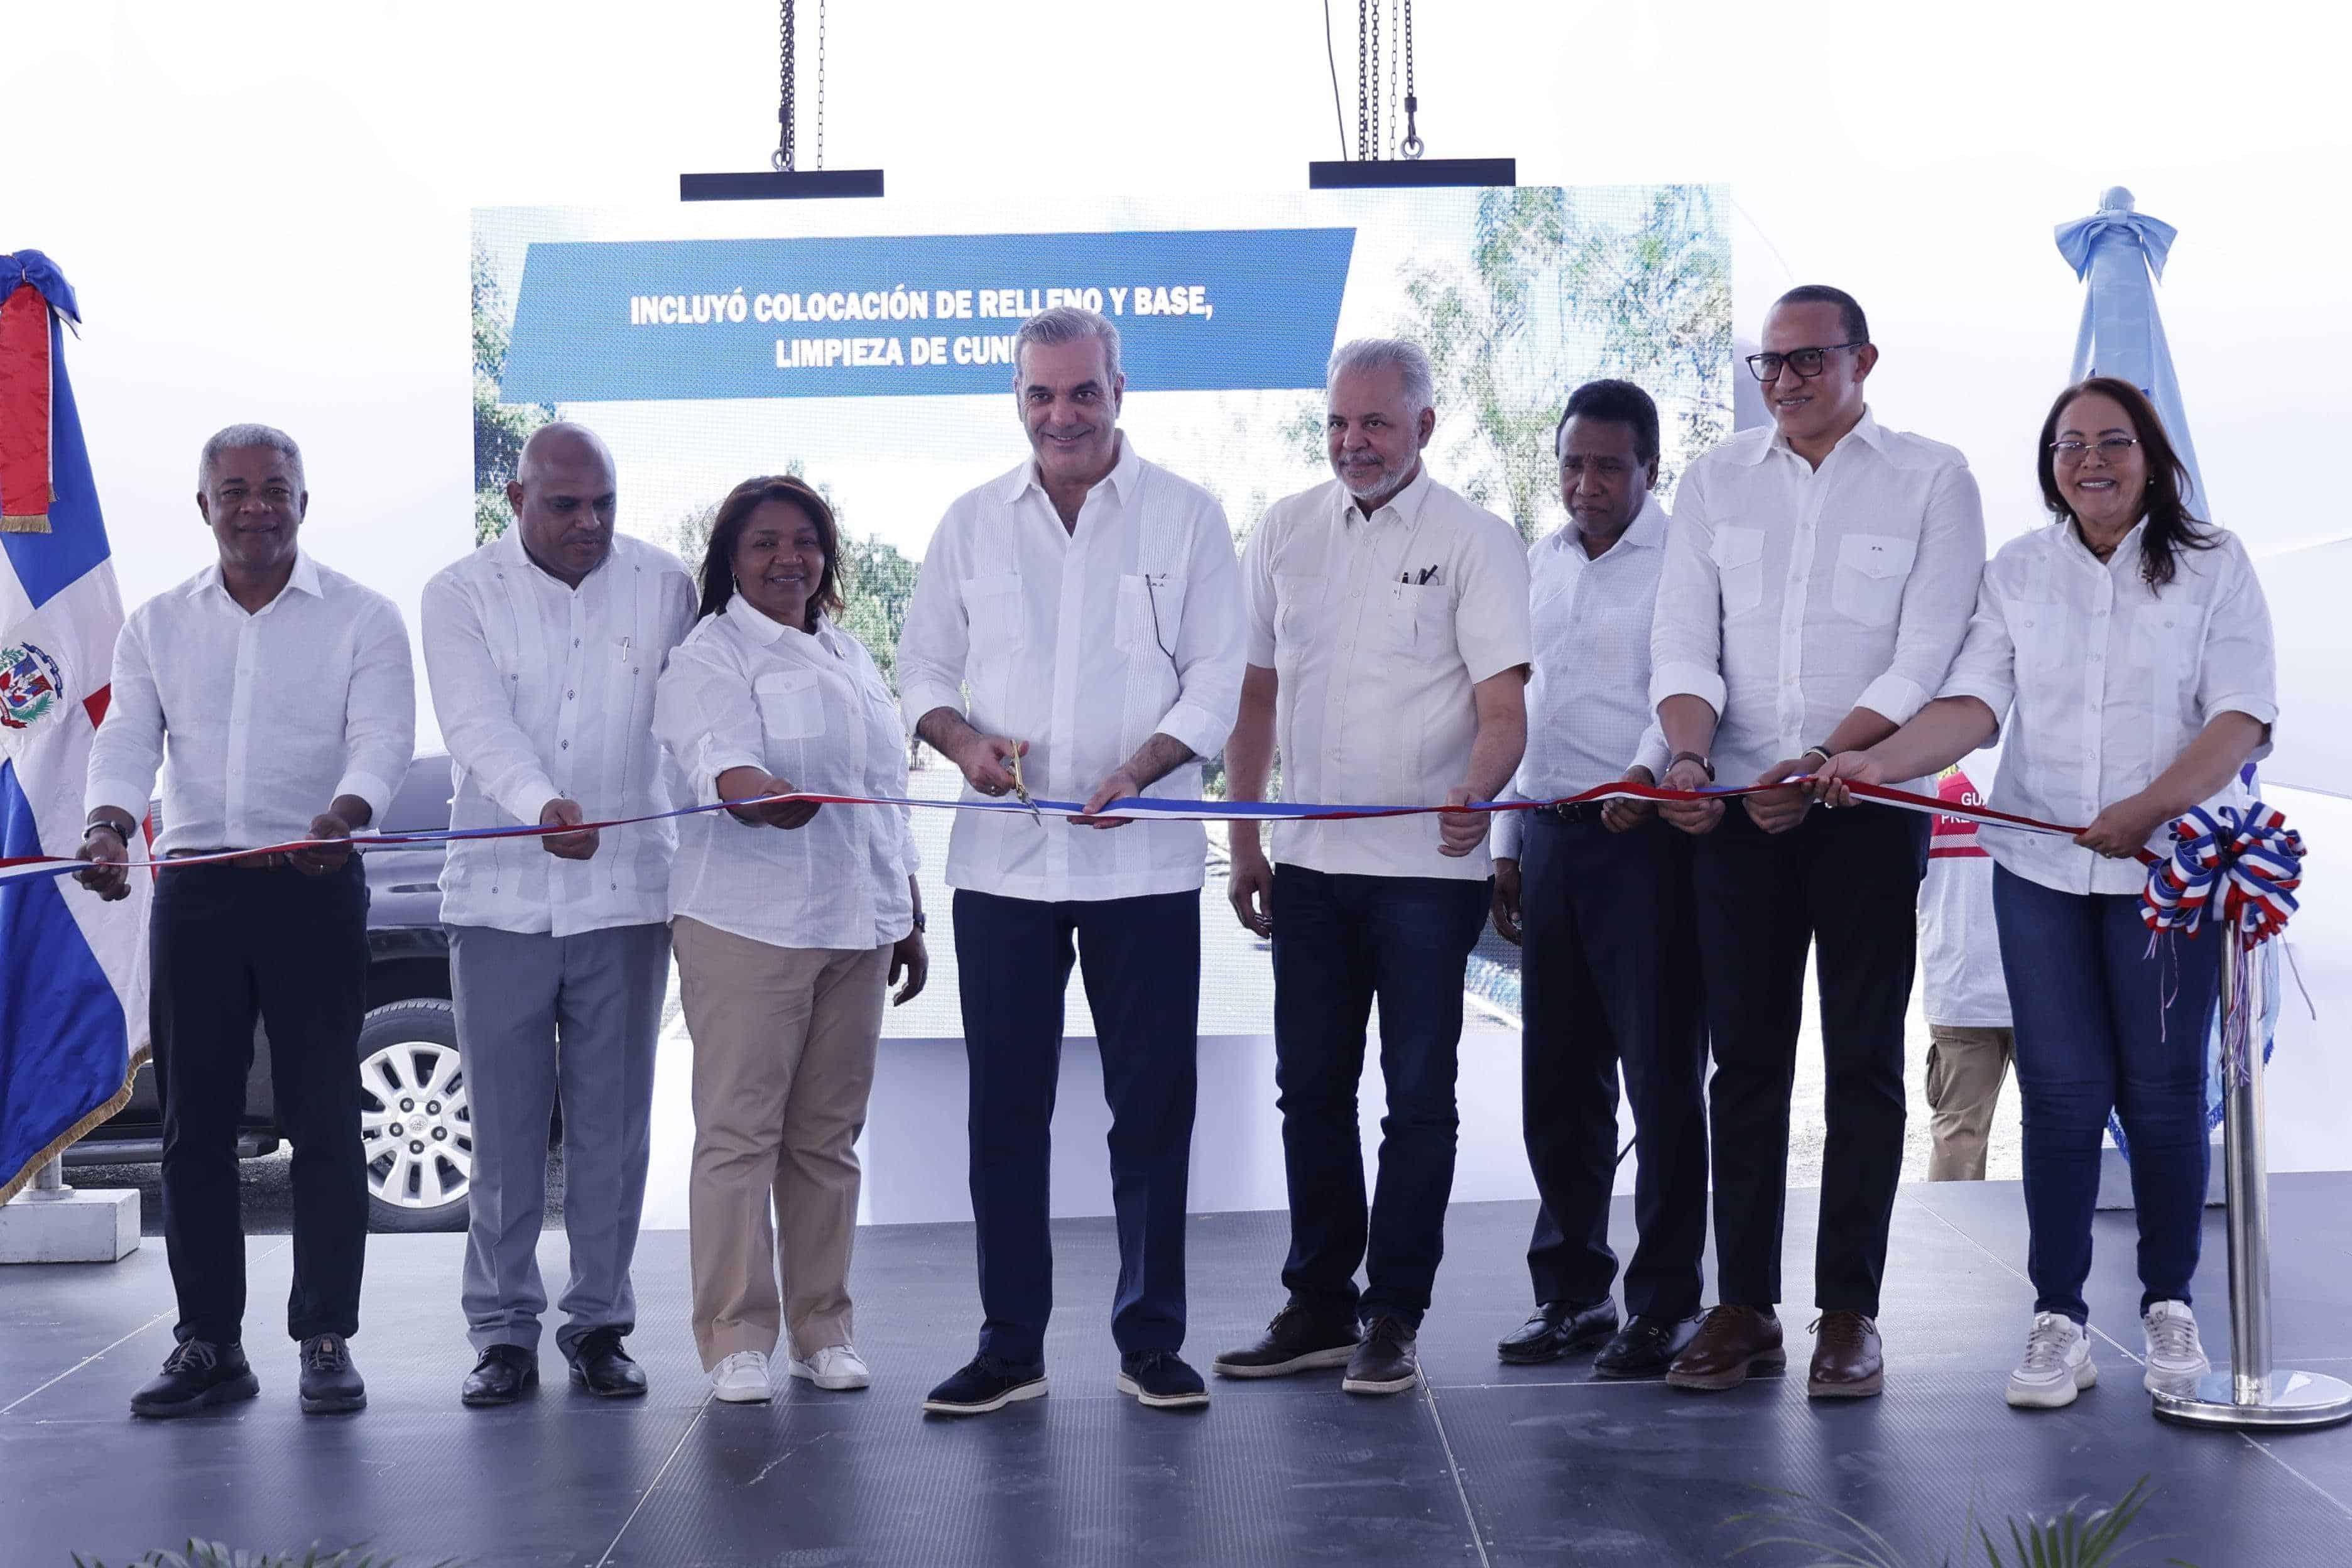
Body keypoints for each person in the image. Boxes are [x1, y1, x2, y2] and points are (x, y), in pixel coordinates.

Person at [1811, 376, 2275, 1411]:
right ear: (2048, 464)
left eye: (2111, 442)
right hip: (2038, 871)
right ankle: (2054, 1319)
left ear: (2148, 456)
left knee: (2159, 1098)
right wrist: (1877, 763)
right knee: (2060, 1099)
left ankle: (2167, 1305)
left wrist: (2146, 809)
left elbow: (2239, 717)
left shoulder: (2211, 564)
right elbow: (1974, 708)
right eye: (2067, 445)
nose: (2089, 460)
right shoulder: (2017, 571)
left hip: (2165, 871)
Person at [895, 307, 1246, 1416]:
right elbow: (920, 675)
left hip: (1140, 864)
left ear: (1117, 390)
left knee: (1151, 1111)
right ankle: (1010, 1347)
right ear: (1017, 396)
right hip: (1001, 868)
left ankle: (1150, 1341)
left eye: (1080, 392)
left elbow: (1216, 680)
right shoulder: (966, 524)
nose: (1060, 414)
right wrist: (962, 742)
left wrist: (1142, 768)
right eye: (1039, 394)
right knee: (1004, 1111)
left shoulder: (1187, 519)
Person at [1649, 285, 1985, 1399]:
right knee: (1739, 1064)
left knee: (1862, 1062)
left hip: (1864, 808)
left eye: (1805, 360)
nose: (1782, 381)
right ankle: (1741, 1306)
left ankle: (1849, 1311)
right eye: (1767, 364)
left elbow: (1925, 650)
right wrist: (1691, 765)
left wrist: (1830, 760)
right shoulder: (1713, 481)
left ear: (1863, 360)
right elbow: (1681, 646)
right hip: (1736, 811)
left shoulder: (1930, 477)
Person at [1215, 338, 1531, 1397]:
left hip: (1423, 878)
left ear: (1424, 428)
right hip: (1304, 865)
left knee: (1415, 1098)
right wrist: (1247, 839)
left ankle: (1392, 1313)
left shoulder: (1476, 540)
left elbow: (1502, 709)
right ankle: (1316, 1304)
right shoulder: (1282, 531)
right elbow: (1253, 698)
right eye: (1338, 425)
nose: (1353, 444)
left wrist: (1476, 789)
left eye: (1376, 425)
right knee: (1308, 1088)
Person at [78, 424, 415, 1418]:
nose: (256, 506)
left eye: (276, 488)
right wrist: (106, 826)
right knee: (195, 1131)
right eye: (235, 490)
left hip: (315, 879)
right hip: (198, 891)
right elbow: (127, 738)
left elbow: (384, 740)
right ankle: (210, 1344)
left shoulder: (364, 616)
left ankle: (324, 1337)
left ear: (304, 503)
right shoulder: (157, 623)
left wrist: (345, 817)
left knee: (321, 1122)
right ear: (204, 507)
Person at [421, 422, 696, 1407]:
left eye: (605, 505)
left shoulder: (664, 584)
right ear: (516, 496)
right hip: (499, 902)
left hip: (625, 896)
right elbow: (475, 726)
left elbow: (691, 716)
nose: (590, 525)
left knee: (612, 1128)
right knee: (502, 1132)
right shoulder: (460, 592)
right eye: (565, 505)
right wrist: (541, 805)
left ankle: (600, 1324)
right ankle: (500, 1331)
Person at [656, 474, 928, 1405]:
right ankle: (735, 1336)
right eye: (766, 542)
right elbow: (718, 760)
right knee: (739, 1135)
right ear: (731, 556)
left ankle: (824, 1330)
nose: (788, 559)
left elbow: (884, 797)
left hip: (859, 925)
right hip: (748, 926)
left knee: (827, 1139)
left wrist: (909, 914)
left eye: (805, 541)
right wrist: (758, 795)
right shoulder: (709, 655)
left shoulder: (852, 654)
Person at [1487, 380, 1709, 1378]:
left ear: (1649, 470)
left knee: (1661, 1082)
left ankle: (1663, 1304)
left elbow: (1694, 683)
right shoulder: (1537, 564)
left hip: (1647, 840)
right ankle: (1570, 1293)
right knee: (1560, 1084)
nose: (1586, 484)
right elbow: (1516, 709)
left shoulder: (1683, 563)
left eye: (1609, 466)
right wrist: (1503, 846)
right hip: (1548, 838)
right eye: (1573, 463)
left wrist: (1647, 775)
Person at [1918, 753, 2014, 1182]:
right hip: (2048, 987)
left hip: (1958, 986)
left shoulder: (1931, 785)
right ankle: (2056, 1242)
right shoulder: (2041, 783)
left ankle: (1949, 1245)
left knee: (1958, 1136)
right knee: (2059, 1131)